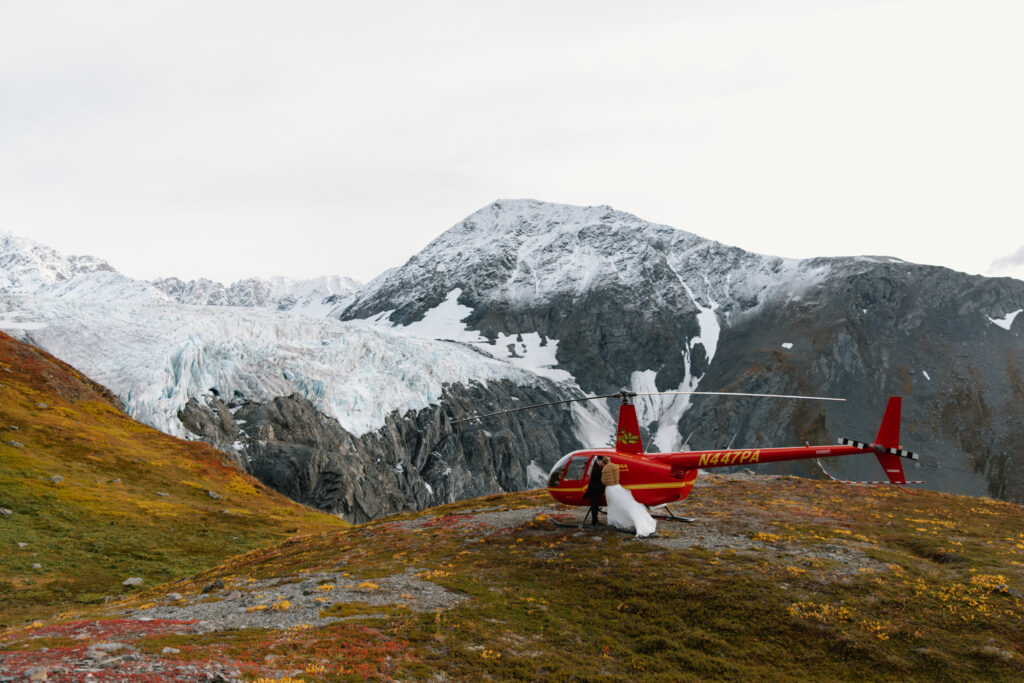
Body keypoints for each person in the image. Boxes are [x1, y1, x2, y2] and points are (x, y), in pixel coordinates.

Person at [583, 456, 608, 525]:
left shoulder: (596, 466)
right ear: (599, 461)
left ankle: (595, 520)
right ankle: (594, 521)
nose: (602, 463)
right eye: (602, 462)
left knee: (595, 505)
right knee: (594, 505)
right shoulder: (595, 467)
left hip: (595, 490)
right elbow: (599, 476)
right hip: (593, 490)